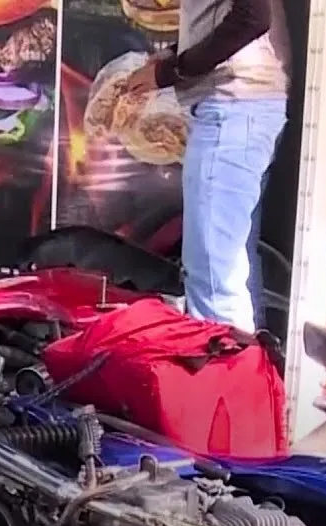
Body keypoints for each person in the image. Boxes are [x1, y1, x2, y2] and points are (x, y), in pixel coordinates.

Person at [125, 0, 291, 333]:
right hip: (236, 108)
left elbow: (252, 18)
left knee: (214, 277)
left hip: (233, 106)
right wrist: (173, 56)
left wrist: (168, 72)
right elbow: (229, 19)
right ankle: (238, 360)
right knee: (220, 267)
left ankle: (227, 363)